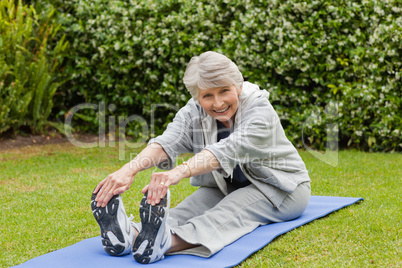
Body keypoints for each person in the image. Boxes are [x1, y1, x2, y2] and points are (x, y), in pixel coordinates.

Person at [91, 51, 311, 264]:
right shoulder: (193, 111)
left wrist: (178, 172)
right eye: (207, 95)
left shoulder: (259, 110)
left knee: (229, 212)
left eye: (224, 91)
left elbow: (228, 149)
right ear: (197, 97)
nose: (217, 103)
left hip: (281, 188)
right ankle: (132, 235)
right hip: (227, 184)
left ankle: (168, 242)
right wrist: (128, 170)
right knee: (188, 209)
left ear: (239, 86)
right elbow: (167, 141)